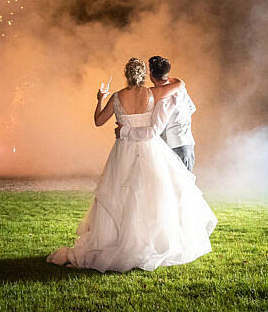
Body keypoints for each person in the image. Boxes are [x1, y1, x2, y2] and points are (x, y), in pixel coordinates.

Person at [47, 58, 217, 273]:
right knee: (149, 196)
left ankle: (117, 240)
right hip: (150, 150)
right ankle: (148, 240)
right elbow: (180, 85)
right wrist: (173, 77)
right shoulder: (152, 94)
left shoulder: (117, 96)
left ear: (126, 75)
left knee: (121, 196)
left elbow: (99, 121)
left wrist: (100, 99)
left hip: (124, 150)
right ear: (144, 75)